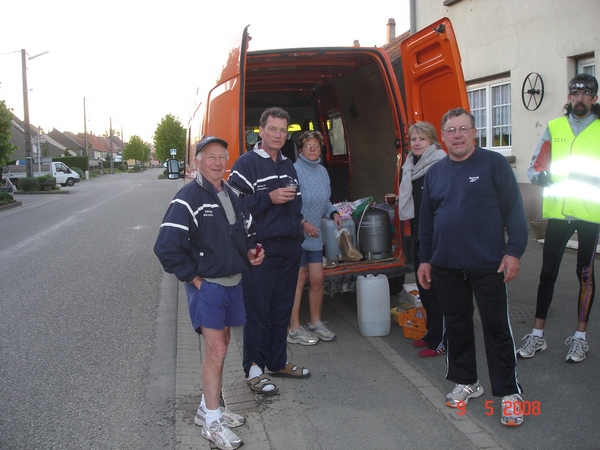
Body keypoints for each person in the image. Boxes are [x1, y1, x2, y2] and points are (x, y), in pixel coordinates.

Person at [417, 107, 528, 427]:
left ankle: (509, 393)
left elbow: (514, 212)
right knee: (457, 325)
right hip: (446, 265)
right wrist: (425, 259)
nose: (457, 135)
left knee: (496, 328)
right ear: (443, 136)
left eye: (463, 128)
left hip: (488, 264)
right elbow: (427, 222)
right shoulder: (435, 172)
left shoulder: (494, 164)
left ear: (474, 132)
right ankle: (467, 382)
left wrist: (514, 252)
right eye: (450, 130)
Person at [154, 136, 264, 450]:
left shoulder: (231, 193)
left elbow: (246, 232)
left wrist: (253, 254)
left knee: (225, 343)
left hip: (233, 282)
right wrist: (196, 281)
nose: (217, 162)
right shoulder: (188, 197)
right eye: (210, 156)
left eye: (221, 156)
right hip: (210, 287)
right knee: (216, 351)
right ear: (198, 162)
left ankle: (208, 408)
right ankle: (212, 424)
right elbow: (166, 247)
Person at [517, 73, 600, 363]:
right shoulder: (555, 128)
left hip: (590, 215)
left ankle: (580, 338)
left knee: (585, 275)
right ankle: (538, 336)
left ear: (594, 97)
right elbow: (533, 168)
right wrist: (541, 175)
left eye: (587, 93)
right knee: (547, 273)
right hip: (558, 213)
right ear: (568, 97)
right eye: (575, 93)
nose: (580, 98)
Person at [228, 107, 311, 395]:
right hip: (260, 249)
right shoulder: (246, 164)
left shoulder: (289, 164)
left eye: (282, 130)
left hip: (289, 248)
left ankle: (277, 362)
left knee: (281, 309)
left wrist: (296, 228)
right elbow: (235, 206)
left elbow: (296, 205)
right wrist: (269, 198)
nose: (278, 135)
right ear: (260, 131)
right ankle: (253, 368)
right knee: (258, 310)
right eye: (272, 129)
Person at [287, 131, 342, 346]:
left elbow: (326, 200)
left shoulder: (323, 172)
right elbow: (289, 205)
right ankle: (294, 328)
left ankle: (316, 322)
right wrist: (303, 223)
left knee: (318, 279)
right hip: (296, 232)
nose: (312, 148)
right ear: (300, 150)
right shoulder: (293, 170)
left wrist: (334, 212)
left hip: (314, 235)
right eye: (307, 145)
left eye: (316, 145)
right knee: (298, 279)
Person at [398, 122, 446, 357]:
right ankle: (432, 333)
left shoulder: (439, 163)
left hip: (437, 236)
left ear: (432, 141)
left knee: (437, 289)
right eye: (413, 139)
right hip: (419, 232)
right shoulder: (411, 164)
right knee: (423, 286)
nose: (416, 143)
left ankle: (442, 340)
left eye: (422, 139)